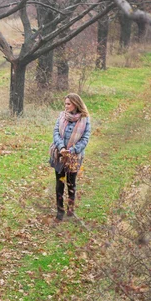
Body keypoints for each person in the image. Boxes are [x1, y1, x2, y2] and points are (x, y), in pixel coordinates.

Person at [49, 93, 91, 221]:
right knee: (60, 183)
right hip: (60, 157)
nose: (66, 106)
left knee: (71, 183)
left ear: (75, 104)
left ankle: (70, 208)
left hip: (74, 158)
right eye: (65, 104)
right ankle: (59, 212)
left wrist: (72, 150)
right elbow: (56, 132)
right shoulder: (62, 116)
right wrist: (61, 148)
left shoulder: (85, 119)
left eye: (68, 104)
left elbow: (85, 139)